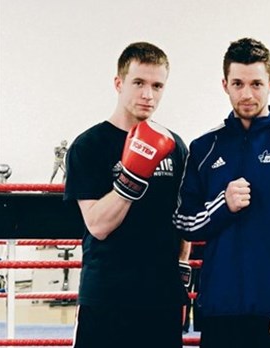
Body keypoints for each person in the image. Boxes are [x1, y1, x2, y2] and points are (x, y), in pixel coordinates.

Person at [172, 37, 270, 348]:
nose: (247, 94)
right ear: (224, 84)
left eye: (256, 84)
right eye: (238, 83)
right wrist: (222, 206)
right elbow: (183, 220)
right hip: (220, 312)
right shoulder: (204, 148)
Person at [64, 42, 190, 348]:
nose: (148, 94)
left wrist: (181, 279)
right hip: (108, 298)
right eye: (139, 83)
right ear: (119, 83)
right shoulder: (89, 146)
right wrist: (131, 177)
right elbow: (98, 225)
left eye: (157, 85)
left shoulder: (174, 146)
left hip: (161, 298)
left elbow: (183, 216)